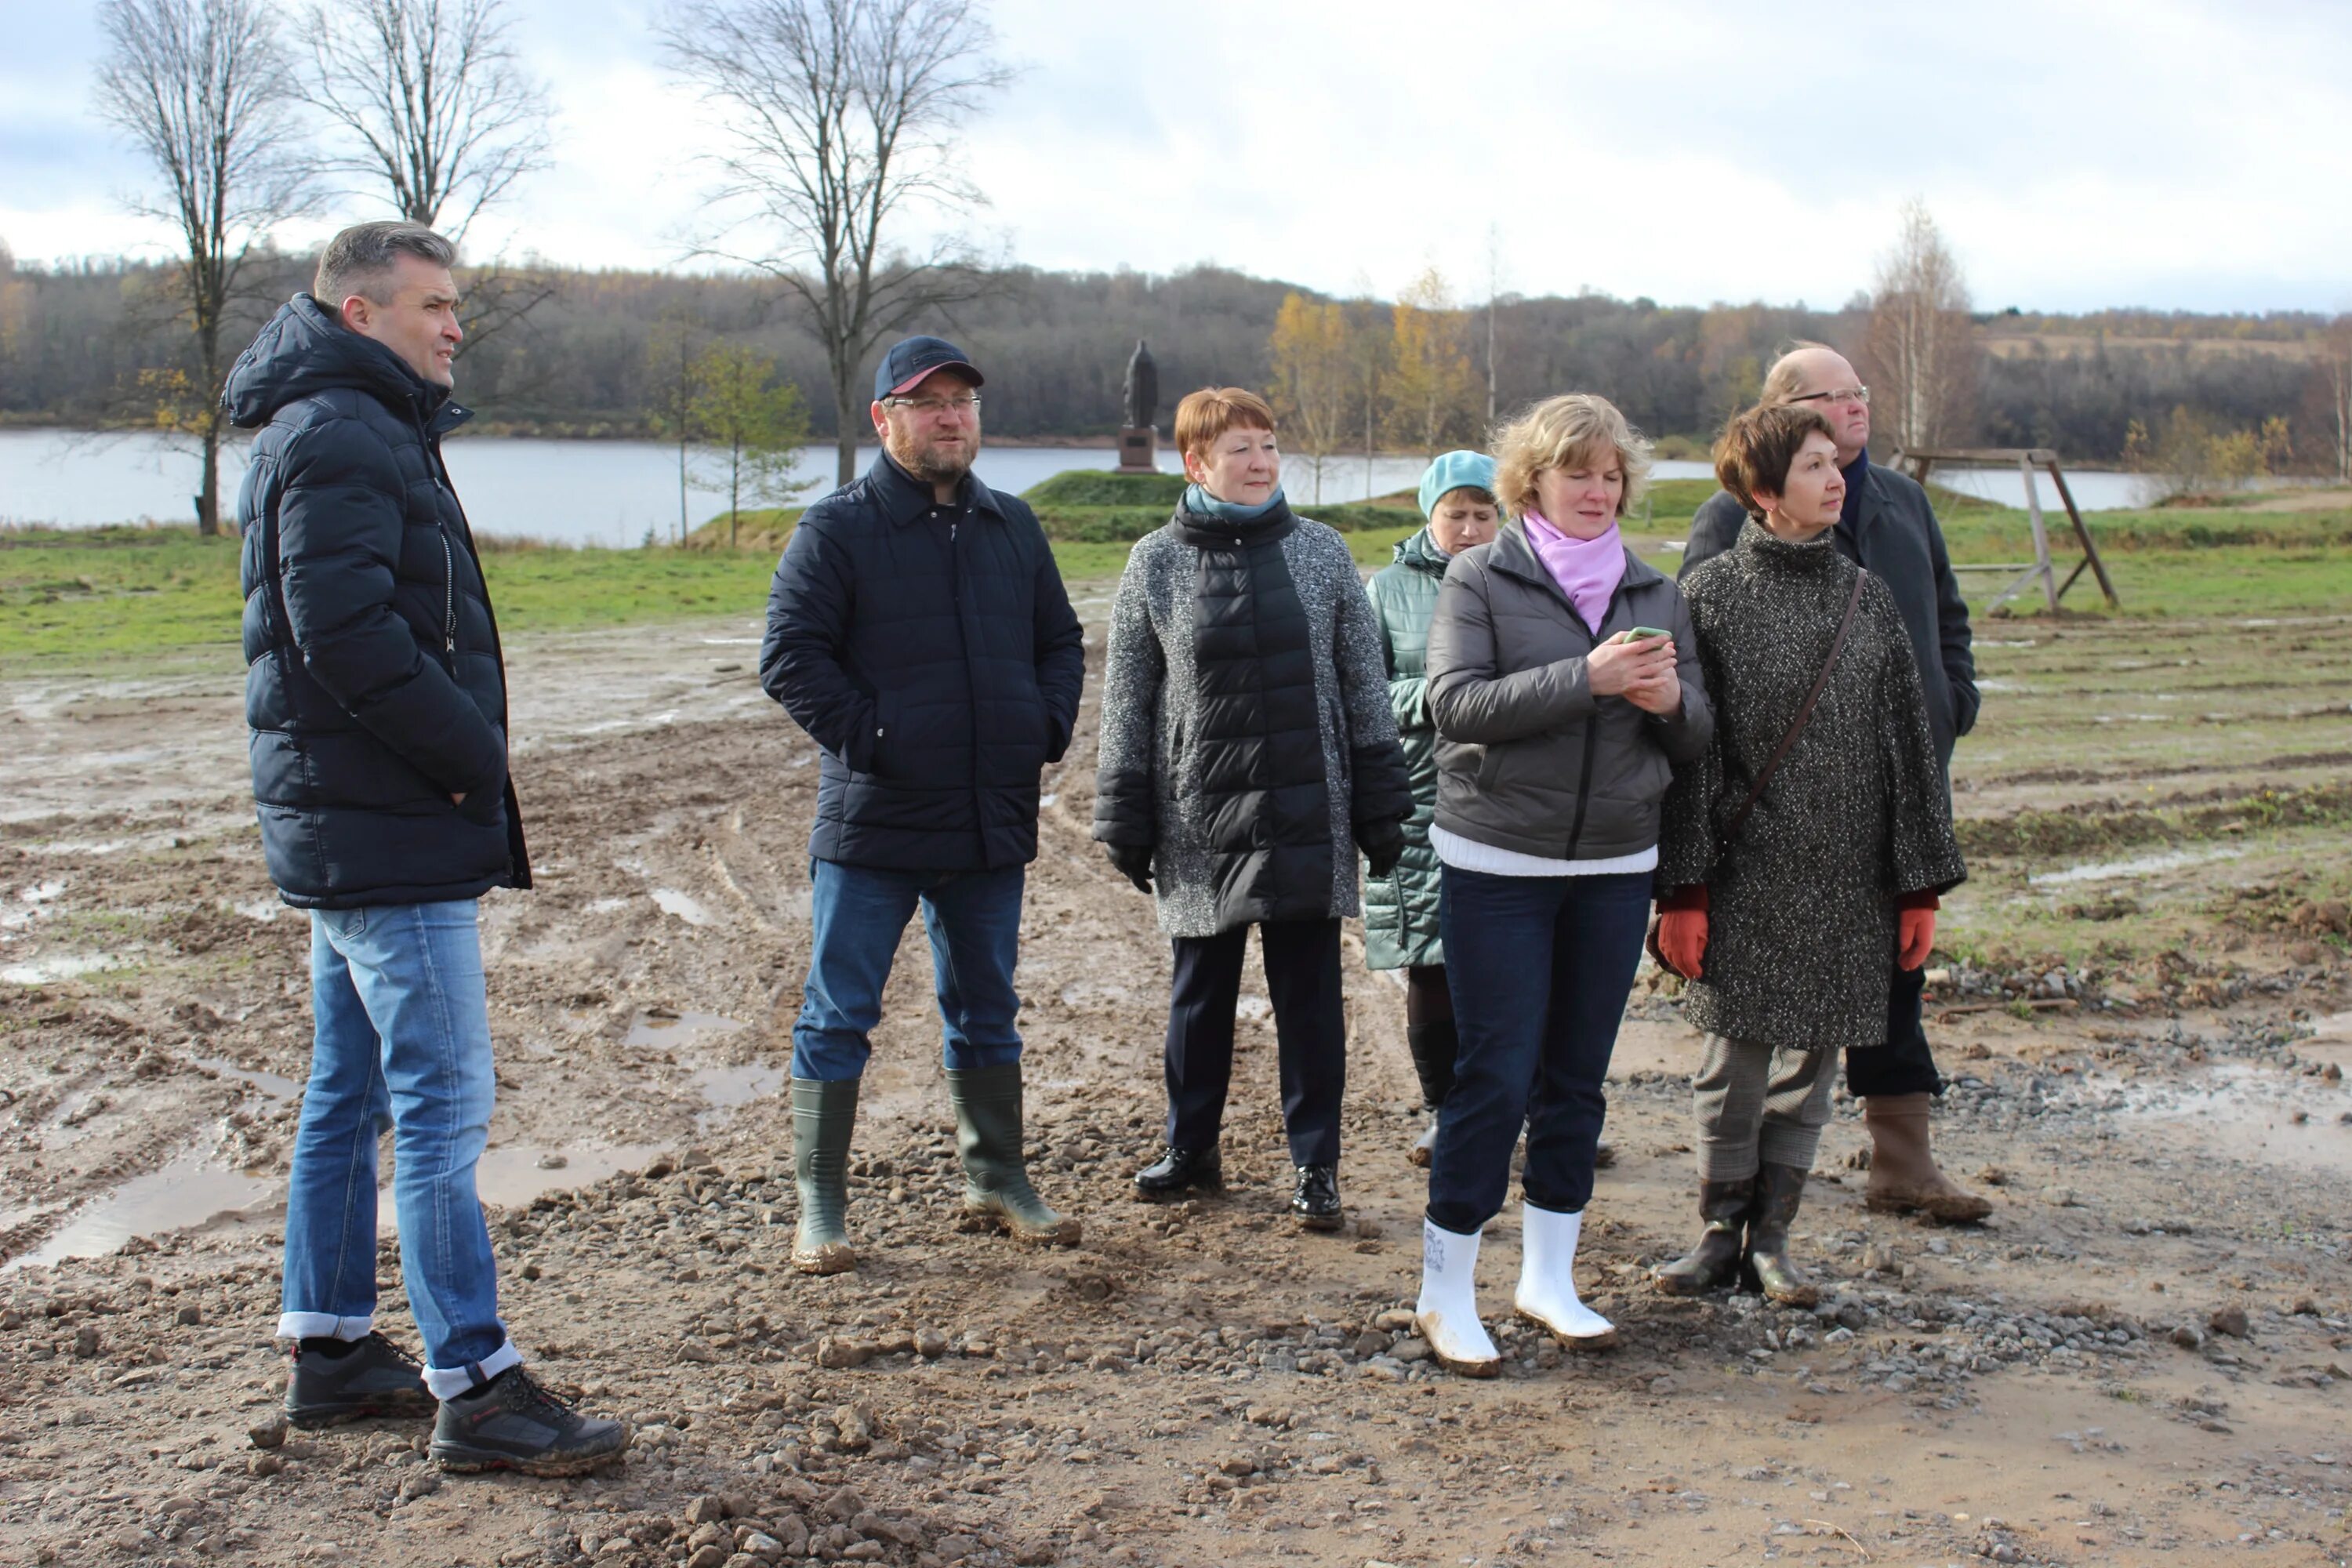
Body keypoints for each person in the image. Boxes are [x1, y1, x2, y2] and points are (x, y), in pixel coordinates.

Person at [226, 220, 629, 1475]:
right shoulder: (344, 431)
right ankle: (479, 1383)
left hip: (357, 829)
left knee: (346, 1098)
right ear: (360, 313)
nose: (455, 325)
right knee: (442, 1106)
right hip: (389, 831)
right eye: (434, 306)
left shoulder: (347, 421)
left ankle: (333, 1351)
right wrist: (472, 753)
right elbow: (340, 632)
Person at [760, 334, 1087, 1274]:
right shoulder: (839, 529)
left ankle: (997, 1177)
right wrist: (882, 739)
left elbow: (1059, 642)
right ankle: (821, 1205)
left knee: (987, 1007)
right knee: (838, 1011)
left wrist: (1043, 722)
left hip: (989, 816)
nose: (951, 416)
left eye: (964, 402)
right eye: (929, 402)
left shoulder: (1013, 525)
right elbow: (790, 658)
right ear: (885, 419)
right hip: (876, 822)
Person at [1413, 394, 1712, 1376]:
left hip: (1616, 864)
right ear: (1531, 480)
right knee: (1494, 1075)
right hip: (1498, 861)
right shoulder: (1480, 575)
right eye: (1576, 471)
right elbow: (1453, 704)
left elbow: (1698, 732)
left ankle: (1550, 1279)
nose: (1596, 489)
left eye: (1611, 474)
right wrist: (1583, 679)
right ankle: (1445, 1290)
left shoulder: (1659, 592)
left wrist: (1673, 703)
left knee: (1578, 1079)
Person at [1651, 404, 1967, 1305]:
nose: (1836, 479)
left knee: (1811, 1067)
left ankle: (1774, 1240)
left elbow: (1908, 746)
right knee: (1733, 1063)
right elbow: (1690, 759)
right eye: (1814, 466)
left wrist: (1918, 889)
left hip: (1847, 880)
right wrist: (1684, 888)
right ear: (1762, 492)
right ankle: (1717, 1236)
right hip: (1743, 875)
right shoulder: (1708, 596)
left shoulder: (1866, 598)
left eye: (1836, 462)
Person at [1093, 387, 1413, 1230]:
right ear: (1196, 463)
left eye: (1268, 444)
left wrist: (1383, 798)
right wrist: (1122, 807)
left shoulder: (1323, 552)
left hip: (1311, 807)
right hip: (1198, 816)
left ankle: (1316, 1166)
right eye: (1239, 447)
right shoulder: (1153, 562)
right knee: (1199, 995)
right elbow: (1128, 697)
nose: (1261, 461)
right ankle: (1191, 1148)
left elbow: (1363, 686)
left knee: (1309, 994)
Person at [1362, 452, 1501, 1165]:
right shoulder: (1385, 591)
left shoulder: (1526, 581)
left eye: (1484, 513)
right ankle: (1446, 1110)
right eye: (1457, 514)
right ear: (1430, 516)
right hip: (1419, 798)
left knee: (1515, 964)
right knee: (1432, 960)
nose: (1471, 528)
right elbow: (1362, 694)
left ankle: (1531, 1110)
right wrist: (1448, 701)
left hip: (1511, 794)